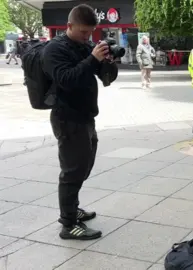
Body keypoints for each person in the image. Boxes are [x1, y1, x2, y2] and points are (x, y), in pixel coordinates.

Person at [42, 4, 118, 240]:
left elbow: (106, 78)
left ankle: (72, 208)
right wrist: (91, 58)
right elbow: (67, 80)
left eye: (90, 33)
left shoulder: (84, 46)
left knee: (84, 166)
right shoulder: (54, 50)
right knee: (72, 171)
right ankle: (68, 224)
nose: (88, 37)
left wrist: (107, 62)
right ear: (69, 26)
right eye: (83, 32)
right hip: (67, 118)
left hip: (86, 117)